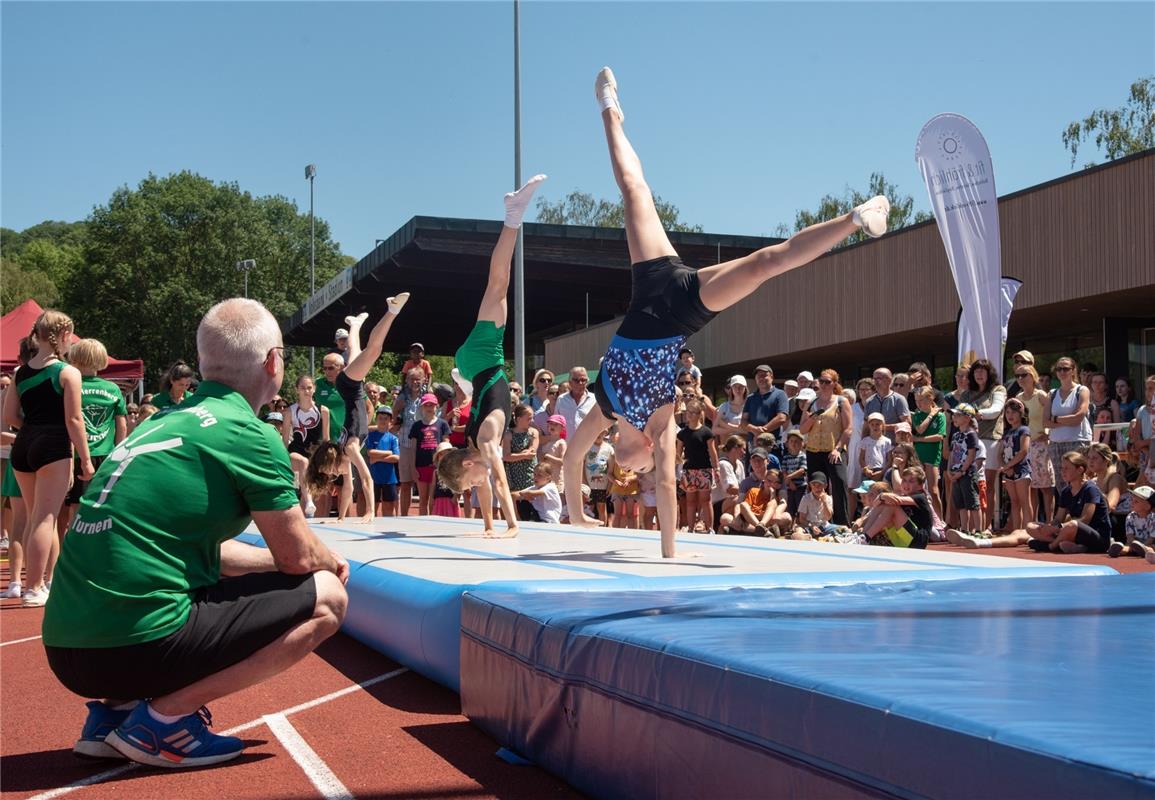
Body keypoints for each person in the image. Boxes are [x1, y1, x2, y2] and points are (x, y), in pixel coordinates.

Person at [562, 67, 889, 557]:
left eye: (627, 468)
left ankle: (608, 107)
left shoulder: (606, 406)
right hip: (681, 310)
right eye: (636, 468)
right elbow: (669, 490)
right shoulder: (660, 422)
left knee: (634, 190)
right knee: (766, 263)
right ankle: (855, 218)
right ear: (649, 451)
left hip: (651, 282)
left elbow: (571, 460)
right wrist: (669, 554)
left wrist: (578, 509)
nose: (628, 467)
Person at [42, 298, 349, 768]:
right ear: (272, 361)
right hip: (135, 644)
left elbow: (204, 552)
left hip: (66, 648)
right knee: (327, 596)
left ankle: (114, 715)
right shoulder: (248, 431)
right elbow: (298, 560)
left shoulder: (161, 422)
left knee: (197, 578)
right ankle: (163, 724)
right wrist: (330, 561)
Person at [435, 175, 548, 538]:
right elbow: (486, 486)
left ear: (468, 463)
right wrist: (487, 526)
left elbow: (497, 481)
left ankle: (513, 215)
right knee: (500, 289)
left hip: (482, 359)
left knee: (498, 282)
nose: (472, 488)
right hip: (476, 367)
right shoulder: (472, 446)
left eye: (467, 483)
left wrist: (511, 525)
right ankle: (462, 382)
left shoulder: (483, 442)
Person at [3, 311, 93, 608]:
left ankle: (40, 582)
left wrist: (32, 427)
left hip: (25, 445)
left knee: (34, 517)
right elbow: (75, 420)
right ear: (65, 336)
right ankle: (33, 587)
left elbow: (10, 417)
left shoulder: (20, 373)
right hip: (53, 445)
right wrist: (86, 460)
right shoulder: (68, 373)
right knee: (46, 518)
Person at [308, 296, 410, 523]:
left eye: (332, 472)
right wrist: (341, 518)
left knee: (374, 351)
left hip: (350, 386)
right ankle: (355, 324)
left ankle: (392, 310)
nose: (336, 475)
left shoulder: (350, 449)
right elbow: (349, 486)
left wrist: (370, 511)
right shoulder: (343, 452)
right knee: (357, 349)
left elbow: (367, 479)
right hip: (351, 388)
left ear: (333, 461)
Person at [60, 340, 128, 537]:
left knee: (71, 506)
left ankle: (68, 550)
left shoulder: (69, 385)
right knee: (100, 504)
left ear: (75, 358)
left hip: (74, 452)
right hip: (105, 454)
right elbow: (121, 424)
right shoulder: (112, 389)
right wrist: (118, 452)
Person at [1025, 450, 1112, 554]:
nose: (1063, 472)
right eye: (1062, 468)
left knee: (1072, 525)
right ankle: (1068, 544)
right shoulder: (1066, 491)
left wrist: (1060, 527)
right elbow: (1058, 518)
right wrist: (1049, 527)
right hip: (1071, 532)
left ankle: (1051, 546)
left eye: (1067, 468)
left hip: (1097, 536)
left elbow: (1085, 519)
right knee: (1031, 527)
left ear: (1080, 470)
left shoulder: (1090, 489)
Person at [798, 370, 852, 524]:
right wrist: (813, 417)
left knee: (839, 484)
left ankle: (842, 524)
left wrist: (838, 448)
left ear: (834, 383)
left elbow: (848, 429)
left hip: (833, 451)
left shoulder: (841, 402)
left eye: (827, 382)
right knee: (815, 486)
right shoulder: (811, 403)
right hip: (813, 450)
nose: (823, 384)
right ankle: (815, 523)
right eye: (821, 381)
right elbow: (802, 429)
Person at [960, 358, 1006, 530]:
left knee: (987, 484)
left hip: (991, 440)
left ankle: (987, 525)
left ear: (989, 373)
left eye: (983, 371)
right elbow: (959, 416)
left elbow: (996, 410)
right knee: (970, 484)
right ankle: (972, 526)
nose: (979, 374)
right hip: (969, 442)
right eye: (976, 371)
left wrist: (974, 413)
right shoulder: (966, 394)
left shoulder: (998, 390)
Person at [1014, 364, 1055, 526]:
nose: (1020, 379)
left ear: (1033, 376)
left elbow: (1053, 414)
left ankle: (1050, 523)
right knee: (1030, 487)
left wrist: (1049, 433)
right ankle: (1032, 523)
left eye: (1024, 375)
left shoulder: (1041, 395)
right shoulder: (1018, 398)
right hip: (1025, 446)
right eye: (1018, 376)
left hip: (1041, 445)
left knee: (1045, 487)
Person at [857, 466, 934, 549]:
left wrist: (882, 495)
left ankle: (866, 538)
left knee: (892, 506)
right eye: (904, 480)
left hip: (918, 541)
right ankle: (861, 537)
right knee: (884, 505)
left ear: (921, 485)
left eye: (911, 481)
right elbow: (876, 504)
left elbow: (898, 500)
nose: (906, 484)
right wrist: (881, 498)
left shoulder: (921, 497)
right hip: (903, 540)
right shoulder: (904, 496)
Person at [285, 375, 330, 515]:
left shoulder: (323, 411)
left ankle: (310, 514)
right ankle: (308, 501)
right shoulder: (290, 411)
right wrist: (283, 462)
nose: (306, 391)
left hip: (314, 455)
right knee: (298, 478)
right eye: (303, 388)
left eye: (309, 387)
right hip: (295, 454)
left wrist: (326, 463)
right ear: (296, 389)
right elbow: (285, 441)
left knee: (315, 492)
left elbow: (326, 439)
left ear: (314, 389)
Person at [1047, 356, 1092, 492]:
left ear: (1073, 371)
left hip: (1077, 441)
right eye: (1059, 369)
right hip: (1056, 443)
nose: (1062, 371)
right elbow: (1045, 421)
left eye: (1065, 368)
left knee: (1079, 482)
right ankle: (1066, 513)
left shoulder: (1082, 390)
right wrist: (1068, 419)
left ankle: (1081, 512)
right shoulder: (1052, 393)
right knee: (1061, 485)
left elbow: (1078, 418)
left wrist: (1055, 419)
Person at [392, 366, 428, 516]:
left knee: (423, 484)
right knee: (406, 482)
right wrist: (396, 410)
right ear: (406, 381)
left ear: (424, 380)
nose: (415, 382)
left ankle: (424, 516)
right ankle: (404, 516)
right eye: (412, 379)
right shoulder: (402, 397)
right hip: (406, 443)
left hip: (423, 444)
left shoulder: (427, 396)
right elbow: (394, 417)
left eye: (417, 379)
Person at [946, 403, 982, 535]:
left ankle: (978, 529)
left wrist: (962, 471)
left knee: (972, 502)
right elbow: (952, 454)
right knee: (960, 504)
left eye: (958, 415)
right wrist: (950, 470)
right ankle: (964, 529)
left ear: (967, 418)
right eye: (954, 415)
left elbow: (971, 455)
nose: (954, 417)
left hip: (967, 473)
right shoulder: (955, 435)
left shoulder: (971, 434)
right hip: (955, 473)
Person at [997, 397, 1032, 533]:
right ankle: (1017, 531)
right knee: (1014, 502)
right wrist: (1004, 467)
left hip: (1021, 470)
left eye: (1014, 412)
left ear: (1021, 413)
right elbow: (1000, 453)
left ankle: (1028, 531)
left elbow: (1023, 451)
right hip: (1009, 471)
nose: (1010, 416)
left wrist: (1007, 466)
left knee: (1024, 501)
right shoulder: (1006, 433)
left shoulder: (1024, 430)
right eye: (1007, 413)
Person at [910, 386, 946, 518]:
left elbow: (939, 436)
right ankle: (924, 518)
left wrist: (919, 440)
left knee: (933, 490)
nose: (918, 403)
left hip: (932, 455)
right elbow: (920, 429)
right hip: (919, 455)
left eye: (922, 400)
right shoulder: (917, 415)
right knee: (918, 489)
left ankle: (940, 519)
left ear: (930, 399)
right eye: (916, 400)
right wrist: (931, 415)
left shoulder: (941, 416)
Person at [742, 365, 790, 457]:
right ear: (755, 379)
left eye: (764, 375)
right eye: (759, 376)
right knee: (752, 472)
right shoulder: (750, 398)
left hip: (772, 445)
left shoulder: (780, 394)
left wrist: (762, 431)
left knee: (772, 471)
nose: (761, 378)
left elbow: (782, 418)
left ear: (772, 377)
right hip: (753, 447)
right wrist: (754, 429)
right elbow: (743, 421)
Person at [502, 403, 539, 521]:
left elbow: (532, 453)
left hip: (529, 475)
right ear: (518, 419)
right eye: (529, 418)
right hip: (513, 476)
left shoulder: (533, 432)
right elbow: (506, 456)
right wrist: (523, 454)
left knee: (531, 506)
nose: (532, 421)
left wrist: (517, 455)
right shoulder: (508, 434)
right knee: (516, 507)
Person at [364, 407, 401, 517]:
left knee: (388, 506)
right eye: (380, 418)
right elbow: (370, 452)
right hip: (374, 478)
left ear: (390, 421)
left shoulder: (393, 438)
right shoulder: (371, 436)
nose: (383, 421)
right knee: (373, 505)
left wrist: (378, 458)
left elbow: (396, 458)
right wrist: (388, 453)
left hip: (389, 479)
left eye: (386, 419)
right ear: (376, 420)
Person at [711, 434, 746, 531]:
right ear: (735, 448)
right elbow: (730, 490)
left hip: (730, 505)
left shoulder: (740, 464)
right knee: (738, 499)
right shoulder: (723, 464)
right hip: (717, 505)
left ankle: (730, 526)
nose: (744, 452)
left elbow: (741, 486)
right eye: (743, 449)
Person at [1109, 485, 1154, 559]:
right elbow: (1130, 536)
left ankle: (1145, 551)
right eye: (1132, 500)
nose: (1132, 503)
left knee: (1151, 547)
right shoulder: (1130, 517)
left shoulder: (1153, 518)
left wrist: (1143, 546)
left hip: (1148, 543)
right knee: (1127, 548)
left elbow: (1151, 538)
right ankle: (1118, 549)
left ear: (1147, 506)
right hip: (1133, 543)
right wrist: (1133, 544)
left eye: (1136, 501)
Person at [864, 368, 911, 439]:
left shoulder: (899, 399)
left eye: (879, 379)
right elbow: (865, 427)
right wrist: (862, 444)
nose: (875, 382)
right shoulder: (869, 401)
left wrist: (883, 427)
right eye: (874, 379)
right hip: (874, 446)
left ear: (889, 380)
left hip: (893, 446)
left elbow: (907, 424)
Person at [555, 365, 597, 436]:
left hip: (588, 444)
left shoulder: (594, 399)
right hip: (566, 444)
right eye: (576, 380)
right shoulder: (561, 399)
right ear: (570, 382)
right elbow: (556, 422)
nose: (580, 383)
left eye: (583, 380)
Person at [780, 428, 808, 518]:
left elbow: (802, 470)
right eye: (791, 441)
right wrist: (790, 482)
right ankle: (790, 525)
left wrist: (789, 477)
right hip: (790, 487)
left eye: (796, 441)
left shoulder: (802, 456)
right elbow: (784, 470)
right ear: (787, 443)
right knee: (790, 507)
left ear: (802, 444)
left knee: (800, 506)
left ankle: (800, 524)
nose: (794, 443)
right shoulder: (786, 457)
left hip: (801, 487)